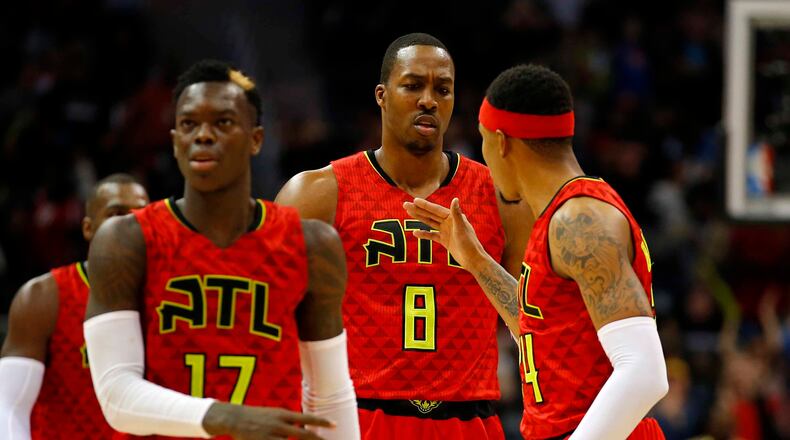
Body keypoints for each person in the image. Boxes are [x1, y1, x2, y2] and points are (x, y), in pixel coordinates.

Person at [82, 60, 359, 440]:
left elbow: (330, 398)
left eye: (223, 123)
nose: (203, 136)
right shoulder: (125, 240)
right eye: (189, 124)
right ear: (175, 139)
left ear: (256, 139)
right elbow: (116, 395)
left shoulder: (312, 244)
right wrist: (227, 417)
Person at [275, 33, 530, 439]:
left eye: (442, 89)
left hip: (470, 417)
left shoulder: (502, 198)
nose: (428, 99)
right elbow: (273, 322)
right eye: (413, 85)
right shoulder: (317, 194)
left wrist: (480, 262)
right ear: (382, 95)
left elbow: (532, 323)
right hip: (359, 414)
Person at [404, 64, 669, 439]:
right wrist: (477, 261)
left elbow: (644, 373)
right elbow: (543, 332)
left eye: (482, 139)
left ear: (501, 141)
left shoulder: (580, 219)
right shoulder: (560, 215)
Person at [0, 173, 149, 439]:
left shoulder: (170, 295)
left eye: (141, 215)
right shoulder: (44, 297)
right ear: (88, 228)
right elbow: (8, 406)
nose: (131, 224)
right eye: (117, 214)